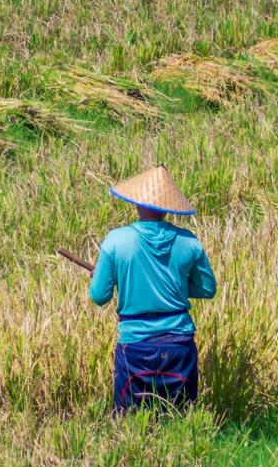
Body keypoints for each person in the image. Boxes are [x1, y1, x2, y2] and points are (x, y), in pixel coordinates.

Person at [89, 165, 217, 414]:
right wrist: (174, 285)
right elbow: (207, 289)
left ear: (137, 201)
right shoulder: (189, 241)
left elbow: (99, 296)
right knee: (180, 416)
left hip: (135, 347)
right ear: (167, 207)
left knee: (130, 420)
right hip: (179, 344)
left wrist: (111, 276)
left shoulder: (116, 240)